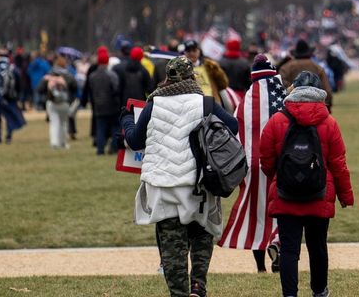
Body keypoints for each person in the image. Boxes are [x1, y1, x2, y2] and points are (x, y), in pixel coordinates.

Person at [121, 56, 239, 297]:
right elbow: (233, 126)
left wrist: (126, 119)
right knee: (201, 235)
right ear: (192, 76)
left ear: (167, 77)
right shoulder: (205, 103)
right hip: (198, 183)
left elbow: (135, 141)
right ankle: (198, 284)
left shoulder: (154, 104)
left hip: (164, 185)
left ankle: (179, 293)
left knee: (172, 247)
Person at [256, 72, 354, 297]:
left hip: (285, 192)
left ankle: (290, 294)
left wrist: (277, 177)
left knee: (289, 250)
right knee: (317, 248)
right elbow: (339, 164)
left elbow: (266, 160)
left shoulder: (277, 120)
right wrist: (345, 196)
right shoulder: (329, 122)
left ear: (294, 91)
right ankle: (319, 291)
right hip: (319, 193)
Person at [219, 55, 288, 275]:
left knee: (255, 215)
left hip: (251, 165)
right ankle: (277, 244)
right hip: (279, 165)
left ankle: (260, 267)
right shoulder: (283, 99)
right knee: (282, 210)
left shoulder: (245, 103)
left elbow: (235, 133)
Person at [83, 47, 123, 156]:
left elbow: (91, 90)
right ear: (107, 61)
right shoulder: (112, 75)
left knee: (100, 128)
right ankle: (114, 148)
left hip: (98, 105)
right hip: (112, 106)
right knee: (115, 127)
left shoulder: (92, 76)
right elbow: (116, 89)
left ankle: (100, 150)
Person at [0, 48, 26, 143]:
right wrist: (18, 94)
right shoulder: (12, 67)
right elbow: (18, 81)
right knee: (9, 115)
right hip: (10, 96)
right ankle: (9, 135)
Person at [181, 40, 230, 109]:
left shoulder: (209, 66)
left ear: (199, 51)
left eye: (194, 50)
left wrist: (217, 71)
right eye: (189, 51)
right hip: (192, 105)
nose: (192, 53)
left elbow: (223, 84)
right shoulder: (181, 68)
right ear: (185, 53)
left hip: (213, 102)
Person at [43, 56, 77, 150]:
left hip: (52, 102)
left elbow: (40, 88)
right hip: (65, 103)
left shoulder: (50, 74)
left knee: (54, 123)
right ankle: (63, 143)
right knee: (63, 123)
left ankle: (54, 143)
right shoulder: (68, 75)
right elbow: (75, 86)